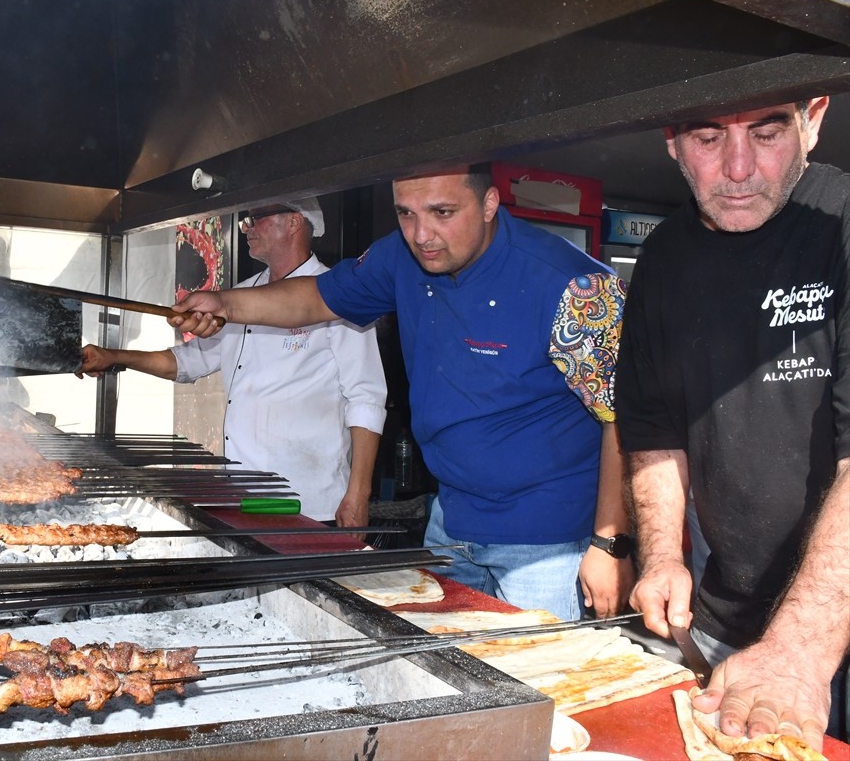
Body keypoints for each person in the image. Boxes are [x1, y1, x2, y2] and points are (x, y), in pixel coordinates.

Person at [171, 166, 633, 620]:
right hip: (451, 517)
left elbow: (624, 416)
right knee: (459, 677)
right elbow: (316, 298)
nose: (422, 234)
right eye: (406, 214)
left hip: (547, 538)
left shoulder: (576, 287)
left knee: (543, 680)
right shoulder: (401, 258)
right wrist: (225, 304)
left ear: (490, 203)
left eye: (442, 212)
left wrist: (609, 543)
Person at [616, 95, 847, 751]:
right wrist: (661, 557)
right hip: (726, 617)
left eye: (767, 134)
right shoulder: (661, 262)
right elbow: (654, 432)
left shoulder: (845, 226)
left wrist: (799, 648)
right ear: (669, 138)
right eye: (709, 139)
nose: (740, 168)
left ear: (815, 118)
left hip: (828, 625)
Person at [78, 199, 387, 526]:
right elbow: (187, 362)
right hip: (242, 493)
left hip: (307, 501)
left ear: (295, 222)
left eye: (256, 218)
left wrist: (358, 494)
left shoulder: (340, 296)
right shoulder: (241, 297)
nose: (245, 227)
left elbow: (366, 397)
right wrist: (112, 356)